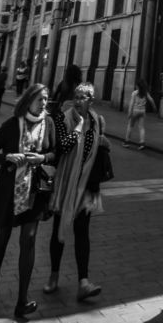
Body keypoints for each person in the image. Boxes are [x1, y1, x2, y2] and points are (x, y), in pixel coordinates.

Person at [0, 83, 57, 319]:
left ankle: (22, 299)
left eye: (46, 99)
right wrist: (7, 157)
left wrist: (42, 157)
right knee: (1, 239)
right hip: (8, 191)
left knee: (29, 240)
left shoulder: (49, 124)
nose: (43, 104)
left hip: (35, 192)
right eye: (39, 99)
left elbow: (56, 153)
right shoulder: (11, 125)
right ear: (28, 101)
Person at [44, 82, 106, 302]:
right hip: (65, 182)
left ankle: (83, 281)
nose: (79, 100)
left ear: (91, 100)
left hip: (87, 186)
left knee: (82, 232)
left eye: (84, 97)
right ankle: (54, 275)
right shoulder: (63, 119)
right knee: (58, 231)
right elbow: (62, 147)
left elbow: (97, 150)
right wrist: (78, 127)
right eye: (77, 96)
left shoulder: (97, 120)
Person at [125, 78, 156, 149]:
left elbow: (131, 104)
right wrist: (154, 107)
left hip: (135, 111)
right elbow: (151, 100)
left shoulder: (134, 93)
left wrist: (129, 113)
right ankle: (142, 143)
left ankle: (127, 142)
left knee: (130, 126)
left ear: (137, 86)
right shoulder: (145, 93)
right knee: (141, 127)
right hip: (142, 111)